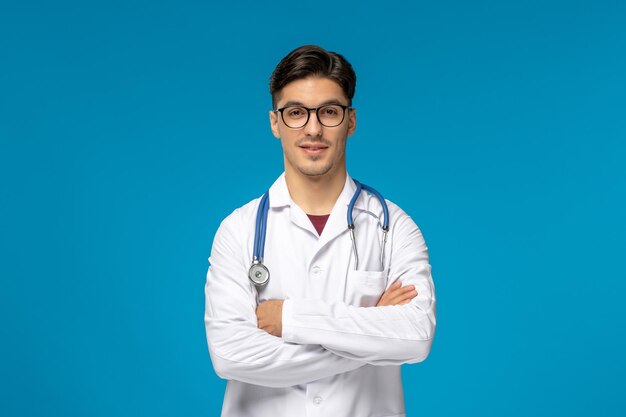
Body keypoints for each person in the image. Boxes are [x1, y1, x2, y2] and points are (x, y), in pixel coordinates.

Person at [204, 45, 436, 417]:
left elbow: (416, 336)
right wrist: (369, 337)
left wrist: (290, 319)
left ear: (351, 120)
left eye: (329, 111)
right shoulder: (239, 230)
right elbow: (230, 354)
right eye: (296, 112)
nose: (313, 128)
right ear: (275, 123)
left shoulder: (394, 227)